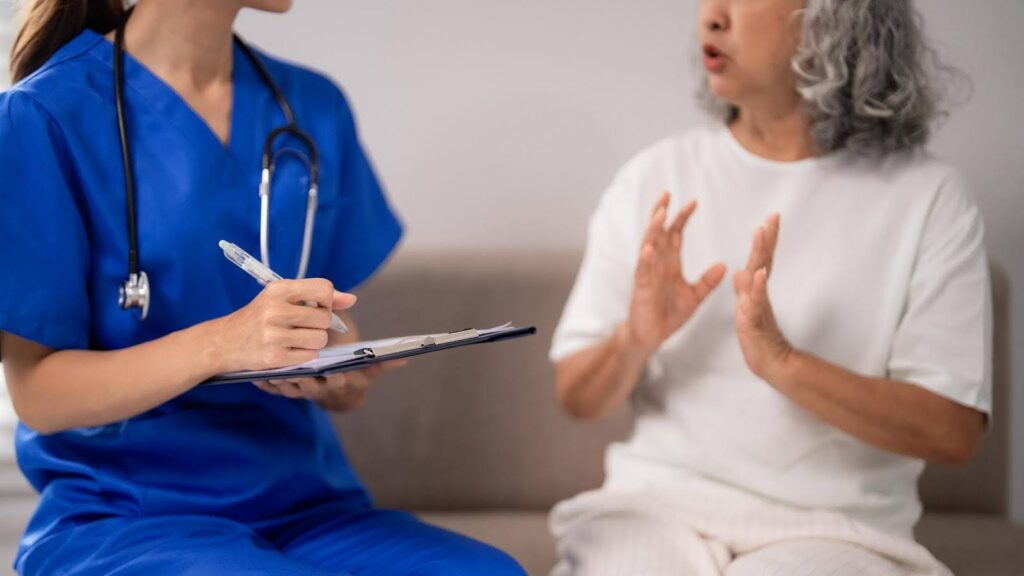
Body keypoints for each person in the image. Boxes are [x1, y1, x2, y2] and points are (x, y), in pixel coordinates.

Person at [0, 1, 524, 574]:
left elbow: (332, 327)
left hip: (308, 507)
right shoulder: (43, 114)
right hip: (128, 515)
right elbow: (38, 396)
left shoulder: (312, 105)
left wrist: (338, 375)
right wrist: (223, 344)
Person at [549, 0, 989, 574]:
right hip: (654, 510)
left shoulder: (928, 197)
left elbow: (953, 431)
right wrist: (636, 338)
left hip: (838, 531)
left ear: (836, 19)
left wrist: (783, 363)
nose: (711, 16)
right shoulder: (653, 178)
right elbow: (576, 396)